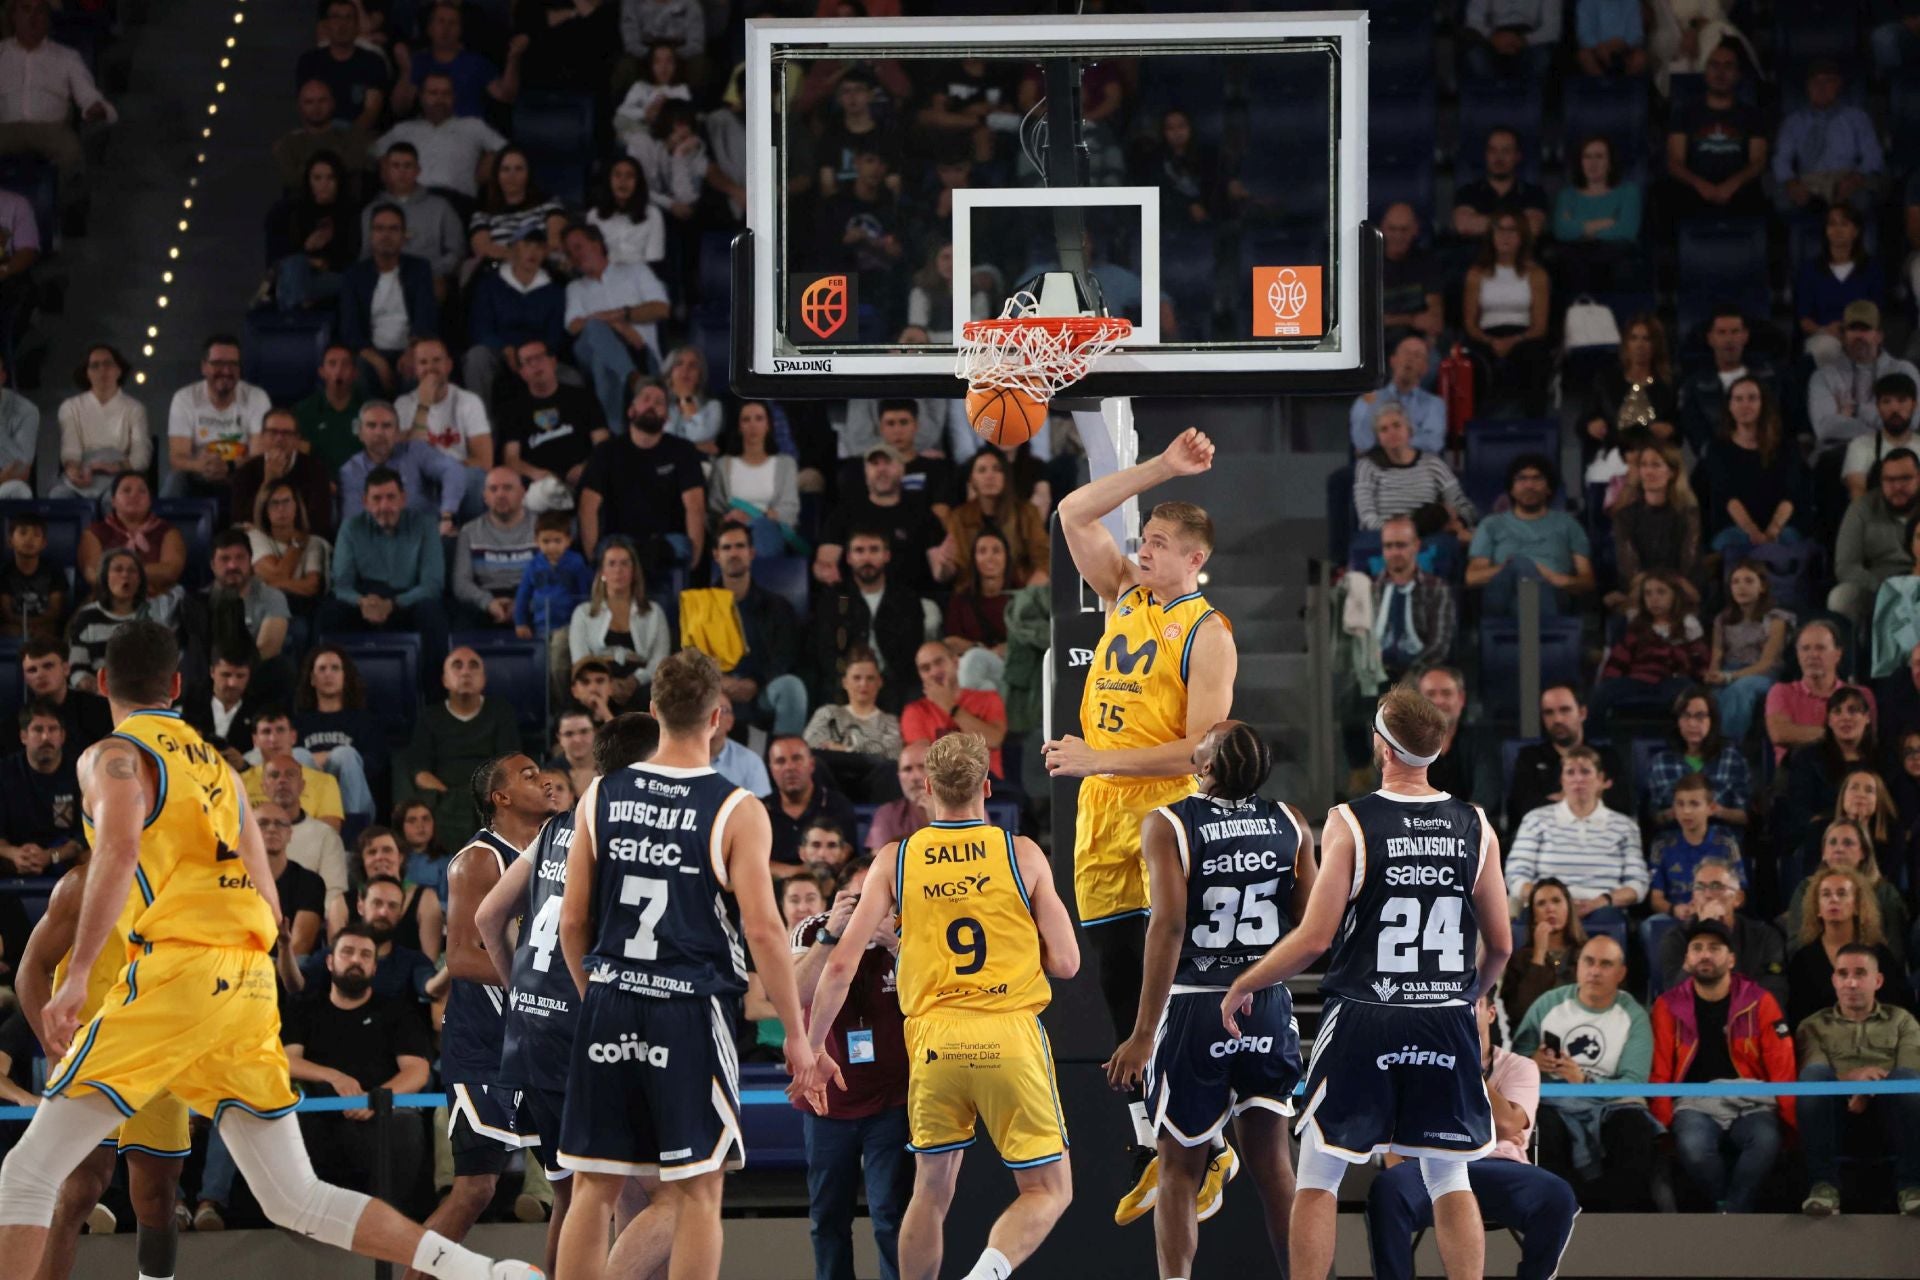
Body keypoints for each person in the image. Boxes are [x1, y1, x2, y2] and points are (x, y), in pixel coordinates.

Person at [0, 620, 542, 1279]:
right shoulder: (221, 769)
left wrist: (79, 972)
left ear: (103, 682)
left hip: (177, 971)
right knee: (295, 1196)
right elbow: (267, 890)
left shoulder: (112, 755)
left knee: (26, 1173)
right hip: (248, 981)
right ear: (178, 685)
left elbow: (118, 847)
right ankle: (481, 1272)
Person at [1220, 686, 1511, 1280]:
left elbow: (1314, 939)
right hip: (1445, 1013)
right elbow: (1501, 945)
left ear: (1382, 747)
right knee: (1449, 1173)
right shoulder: (1476, 825)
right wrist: (1470, 995)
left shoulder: (1350, 821)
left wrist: (1245, 981)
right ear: (1437, 749)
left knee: (1319, 1172)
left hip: (1366, 1011)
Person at [554, 651, 826, 1280]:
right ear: (717, 717)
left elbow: (572, 922)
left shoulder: (599, 794)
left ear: (653, 712)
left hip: (610, 996)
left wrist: (595, 995)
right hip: (687, 1008)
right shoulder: (736, 808)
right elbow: (764, 930)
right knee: (700, 1190)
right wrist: (796, 1034)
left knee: (593, 1187)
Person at [1042, 429, 1237, 1219]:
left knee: (1167, 988)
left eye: (1157, 542)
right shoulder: (1123, 593)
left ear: (1194, 558)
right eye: (1144, 538)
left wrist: (1098, 759)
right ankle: (1158, 1145)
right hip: (1101, 813)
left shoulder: (1208, 633)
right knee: (1120, 985)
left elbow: (1201, 751)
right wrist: (1161, 468)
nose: (1142, 549)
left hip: (1163, 812)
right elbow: (1071, 512)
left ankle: (1209, 1142)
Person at [803, 731, 1077, 1280]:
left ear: (926, 788)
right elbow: (1068, 962)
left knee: (929, 1193)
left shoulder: (895, 859)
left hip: (933, 1039)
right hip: (1007, 1031)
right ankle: (986, 1274)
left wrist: (813, 1049)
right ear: (987, 787)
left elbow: (838, 966)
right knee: (1048, 1190)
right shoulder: (1021, 853)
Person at [1104, 722, 1310, 1269]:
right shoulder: (1291, 822)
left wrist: (1141, 1034)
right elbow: (1311, 924)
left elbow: (1169, 927)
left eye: (1204, 741)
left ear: (1206, 766)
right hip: (1266, 1003)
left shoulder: (1167, 823)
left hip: (1196, 1004)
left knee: (1178, 1170)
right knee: (1275, 1167)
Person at [474, 712, 660, 1276]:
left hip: (529, 1037)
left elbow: (488, 918)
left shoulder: (558, 826)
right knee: (670, 1193)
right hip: (586, 1037)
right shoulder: (631, 834)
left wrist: (522, 996)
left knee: (585, 1193)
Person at [14, 843, 186, 1280]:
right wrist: (56, 1049)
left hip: (160, 1052)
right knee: (78, 1189)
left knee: (158, 1197)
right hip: (89, 1055)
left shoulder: (194, 888)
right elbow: (30, 969)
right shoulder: (81, 884)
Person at [432, 753, 554, 1272]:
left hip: (539, 1046)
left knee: (574, 1185)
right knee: (476, 1189)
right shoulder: (480, 859)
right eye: (528, 776)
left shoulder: (552, 853)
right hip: (486, 1046)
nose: (543, 780)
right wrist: (541, 983)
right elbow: (461, 957)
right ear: (499, 798)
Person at [1364, 990, 1580, 1280]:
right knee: (1387, 1188)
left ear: (1491, 1013)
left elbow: (1507, 1125)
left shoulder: (1521, 1067)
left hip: (1501, 1166)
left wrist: (1462, 1061)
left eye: (1473, 1002)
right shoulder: (1418, 1060)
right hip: (1429, 1165)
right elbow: (1393, 1130)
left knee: (1557, 1195)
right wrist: (1487, 1126)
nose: (1463, 1009)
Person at [786, 855, 911, 1280]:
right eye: (860, 899)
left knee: (890, 1215)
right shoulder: (813, 930)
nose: (870, 909)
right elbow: (794, 996)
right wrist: (830, 938)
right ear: (841, 899)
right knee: (828, 1218)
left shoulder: (909, 929)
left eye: (881, 899)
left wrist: (896, 945)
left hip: (892, 1100)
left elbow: (933, 994)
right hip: (827, 1102)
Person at [1649, 919, 1795, 1212]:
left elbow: (1782, 1065)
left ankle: (1729, 1212)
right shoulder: (1667, 1006)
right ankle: (1729, 1207)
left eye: (1714, 948)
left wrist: (1790, 1122)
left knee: (1765, 1141)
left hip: (1752, 1099)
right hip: (1693, 1102)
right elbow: (1660, 1070)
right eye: (1697, 948)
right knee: (1694, 1147)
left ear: (1731, 959)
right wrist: (1662, 1124)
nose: (1705, 954)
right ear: (1687, 959)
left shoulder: (1760, 1001)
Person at [280, 921, 433, 1198]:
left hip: (381, 1113)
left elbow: (417, 1071)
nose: (355, 960)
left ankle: (390, 1217)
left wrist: (376, 1099)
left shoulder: (397, 1012)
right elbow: (287, 1061)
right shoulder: (304, 1008)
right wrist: (334, 1077)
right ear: (330, 962)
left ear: (374, 968)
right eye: (347, 952)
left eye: (365, 955)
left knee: (406, 1124)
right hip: (318, 1112)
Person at [1510, 935, 1660, 1210]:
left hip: (1611, 1103)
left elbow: (1634, 1082)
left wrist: (1585, 1080)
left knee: (1633, 1127)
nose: (1595, 971)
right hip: (1552, 1101)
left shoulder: (1634, 1016)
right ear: (1578, 966)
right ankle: (1555, 1210)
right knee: (1541, 1127)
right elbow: (1516, 1062)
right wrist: (1534, 1061)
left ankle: (1620, 1215)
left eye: (1605, 964)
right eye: (1589, 962)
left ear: (1621, 973)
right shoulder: (1549, 1003)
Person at [1796, 944, 1920, 1217]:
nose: (1851, 982)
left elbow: (1910, 1072)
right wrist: (1854, 1080)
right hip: (1835, 1113)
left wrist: (1865, 1089)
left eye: (1860, 973)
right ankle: (1824, 1187)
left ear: (1878, 981)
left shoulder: (1902, 1021)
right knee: (1813, 1077)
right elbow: (1814, 1074)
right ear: (1834, 980)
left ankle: (1912, 1188)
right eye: (1843, 974)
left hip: (1891, 1111)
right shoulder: (1812, 1025)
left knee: (1909, 1080)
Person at [1506, 748, 1647, 947]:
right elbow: (1516, 875)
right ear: (1562, 780)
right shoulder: (1535, 820)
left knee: (1609, 920)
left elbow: (1637, 884)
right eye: (1570, 772)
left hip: (1602, 907)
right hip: (1546, 906)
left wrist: (1602, 901)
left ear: (1601, 780)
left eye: (1585, 772)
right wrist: (1554, 903)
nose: (1578, 779)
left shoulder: (1625, 826)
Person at [320, 466, 452, 668]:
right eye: (377, 499)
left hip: (408, 601)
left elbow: (432, 584)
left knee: (432, 612)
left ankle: (434, 686)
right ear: (365, 502)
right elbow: (342, 585)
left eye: (391, 497)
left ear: (403, 499)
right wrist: (361, 602)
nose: (384, 506)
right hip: (365, 601)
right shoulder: (351, 527)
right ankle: (329, 683)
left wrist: (393, 603)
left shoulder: (425, 525)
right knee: (329, 614)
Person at [401, 648, 522, 851]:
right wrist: (451, 797)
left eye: (473, 666)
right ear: (445, 680)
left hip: (489, 798)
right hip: (444, 799)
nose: (465, 672)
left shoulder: (501, 713)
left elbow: (510, 765)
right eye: (457, 666)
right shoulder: (429, 717)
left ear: (483, 679)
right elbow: (421, 773)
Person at [578, 375, 706, 565]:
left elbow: (695, 506)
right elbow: (588, 506)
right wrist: (593, 559)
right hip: (619, 541)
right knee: (616, 552)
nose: (652, 405)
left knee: (674, 548)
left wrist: (694, 561)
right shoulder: (606, 452)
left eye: (659, 402)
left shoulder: (683, 451)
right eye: (646, 399)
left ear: (667, 416)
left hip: (667, 540)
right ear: (631, 410)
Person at [810, 528, 937, 713]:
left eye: (874, 550)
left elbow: (911, 651)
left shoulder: (906, 599)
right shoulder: (836, 599)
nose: (867, 558)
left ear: (886, 555)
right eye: (859, 551)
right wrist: (853, 678)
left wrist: (880, 679)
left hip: (896, 682)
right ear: (849, 558)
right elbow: (827, 651)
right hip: (847, 682)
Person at [0, 0, 115, 194]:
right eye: (26, 10)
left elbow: (88, 95)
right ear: (14, 16)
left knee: (71, 152)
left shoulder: (67, 57)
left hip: (51, 130)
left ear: (47, 18)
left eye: (40, 11)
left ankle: (57, 205)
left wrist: (95, 107)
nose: (32, 18)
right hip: (5, 128)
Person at [565, 222, 670, 430]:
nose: (574, 256)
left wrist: (621, 315)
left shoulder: (636, 271)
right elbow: (573, 326)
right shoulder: (575, 287)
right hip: (590, 351)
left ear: (596, 244)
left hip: (640, 351)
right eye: (569, 253)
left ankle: (613, 432)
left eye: (578, 247)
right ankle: (633, 378)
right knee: (595, 329)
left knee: (603, 359)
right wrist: (619, 327)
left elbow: (661, 309)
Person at [1465, 455, 1595, 617]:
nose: (1529, 485)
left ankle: (1526, 628)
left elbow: (1587, 581)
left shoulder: (1569, 525)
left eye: (1537, 479)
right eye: (1521, 479)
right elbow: (1472, 577)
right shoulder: (1490, 525)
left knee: (1523, 592)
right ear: (1511, 489)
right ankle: (1530, 632)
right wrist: (1510, 568)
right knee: (1521, 565)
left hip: (1551, 595)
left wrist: (1554, 578)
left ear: (1549, 488)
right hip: (1502, 596)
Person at [710, 523, 809, 736]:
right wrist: (719, 682)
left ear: (751, 553)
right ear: (716, 555)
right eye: (726, 548)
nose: (734, 553)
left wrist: (755, 682)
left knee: (791, 686)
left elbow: (785, 657)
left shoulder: (778, 606)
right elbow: (689, 657)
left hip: (761, 690)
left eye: (740, 546)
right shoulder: (699, 607)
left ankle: (784, 751)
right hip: (712, 691)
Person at [1786, 867, 1913, 1029]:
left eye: (1842, 893)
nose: (1833, 899)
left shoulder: (1880, 955)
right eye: (1826, 894)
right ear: (1817, 908)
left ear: (1857, 906)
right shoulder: (1803, 960)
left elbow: (1900, 1010)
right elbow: (1798, 1020)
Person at [1655, 858, 1788, 1009]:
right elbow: (1674, 998)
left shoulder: (1765, 936)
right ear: (1693, 898)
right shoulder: (1676, 938)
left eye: (1716, 886)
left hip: (1749, 1018)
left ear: (1738, 898)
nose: (1707, 895)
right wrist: (1706, 930)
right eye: (1699, 887)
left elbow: (1775, 992)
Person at [341, 205, 440, 397]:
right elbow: (350, 329)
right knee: (360, 368)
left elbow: (426, 317)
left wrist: (413, 350)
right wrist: (378, 362)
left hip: (411, 347)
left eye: (393, 229)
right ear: (371, 235)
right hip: (371, 352)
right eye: (379, 229)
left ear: (404, 236)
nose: (386, 235)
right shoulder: (354, 275)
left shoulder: (420, 269)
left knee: (419, 366)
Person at [1699, 376, 1806, 551]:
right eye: (1738, 399)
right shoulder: (1717, 449)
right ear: (1729, 406)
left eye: (1752, 398)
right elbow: (1727, 496)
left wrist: (1772, 530)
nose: (1745, 405)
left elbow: (1790, 495)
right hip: (1735, 528)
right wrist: (1752, 532)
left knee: (1788, 541)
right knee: (1732, 543)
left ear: (1763, 404)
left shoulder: (1787, 448)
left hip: (1780, 527)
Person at [1664, 42, 1768, 220]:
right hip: (1693, 191)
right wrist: (1701, 185)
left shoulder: (1752, 115)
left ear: (1737, 74)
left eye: (1728, 66)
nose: (1721, 73)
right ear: (1705, 72)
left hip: (1740, 192)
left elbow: (1758, 162)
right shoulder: (1683, 113)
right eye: (1714, 65)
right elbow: (1674, 162)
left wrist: (1732, 185)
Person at [1461, 212, 1552, 415]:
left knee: (1536, 359)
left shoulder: (1536, 274)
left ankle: (1534, 424)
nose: (1505, 236)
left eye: (1512, 231)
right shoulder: (1476, 274)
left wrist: (1513, 341)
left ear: (1522, 237)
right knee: (1472, 362)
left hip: (1524, 335)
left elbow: (1540, 326)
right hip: (1486, 335)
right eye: (1500, 230)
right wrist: (1490, 341)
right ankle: (1474, 426)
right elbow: (1470, 324)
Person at [567, 536, 671, 705]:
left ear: (634, 571)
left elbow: (660, 660)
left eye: (624, 563)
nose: (618, 570)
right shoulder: (583, 613)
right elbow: (581, 660)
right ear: (602, 572)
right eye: (612, 564)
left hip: (642, 682)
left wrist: (635, 681)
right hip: (598, 680)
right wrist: (606, 683)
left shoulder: (654, 612)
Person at [1590, 570, 1708, 719]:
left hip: (1672, 681)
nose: (1654, 599)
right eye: (1648, 594)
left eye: (1661, 592)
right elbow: (1619, 659)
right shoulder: (1637, 626)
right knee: (1602, 692)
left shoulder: (1687, 626)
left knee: (1687, 690)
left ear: (1674, 596)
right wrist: (1610, 681)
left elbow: (1700, 661)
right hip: (1637, 680)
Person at [373, 72, 507, 203]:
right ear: (421, 96)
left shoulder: (473, 126)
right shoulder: (403, 129)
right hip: (411, 201)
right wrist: (389, 176)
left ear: (454, 97)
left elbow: (506, 149)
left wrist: (485, 168)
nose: (440, 99)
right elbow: (373, 152)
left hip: (457, 201)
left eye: (446, 93)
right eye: (433, 93)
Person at [166, 335, 268, 503]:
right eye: (218, 363)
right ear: (204, 367)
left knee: (260, 477)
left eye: (233, 364)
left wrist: (229, 466)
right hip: (199, 474)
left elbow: (259, 456)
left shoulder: (257, 397)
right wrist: (202, 466)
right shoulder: (184, 398)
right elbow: (177, 458)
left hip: (240, 473)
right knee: (175, 480)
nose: (226, 371)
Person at [495, 337, 606, 491]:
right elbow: (511, 459)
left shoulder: (583, 397)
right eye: (528, 361)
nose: (535, 365)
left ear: (553, 362)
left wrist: (587, 466)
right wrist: (537, 474)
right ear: (522, 373)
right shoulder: (512, 410)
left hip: (587, 478)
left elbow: (603, 443)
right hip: (539, 486)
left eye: (539, 357)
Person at [1774, 60, 1882, 216]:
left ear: (1838, 85)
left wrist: (1855, 178)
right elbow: (1781, 159)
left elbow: (1873, 155)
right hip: (1808, 180)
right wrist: (1791, 183)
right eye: (1815, 82)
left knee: (1863, 199)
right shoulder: (1793, 121)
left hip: (1846, 177)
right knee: (1781, 200)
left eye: (1828, 81)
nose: (1821, 87)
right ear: (1807, 87)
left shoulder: (1857, 117)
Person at [1352, 404, 1476, 538]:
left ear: (1409, 430)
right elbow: (1367, 519)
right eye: (1384, 429)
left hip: (1431, 538)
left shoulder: (1432, 463)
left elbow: (1464, 507)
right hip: (1385, 540)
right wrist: (1403, 533)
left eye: (1397, 425)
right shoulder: (1367, 466)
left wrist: (1459, 523)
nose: (1391, 432)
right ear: (1378, 438)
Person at [1830, 447, 1920, 631]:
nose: (1897, 487)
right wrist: (1886, 588)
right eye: (1890, 480)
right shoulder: (1861, 509)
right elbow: (1846, 566)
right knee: (1841, 597)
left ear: (1918, 478)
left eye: (1905, 478)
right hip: (1877, 586)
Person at [340, 398, 469, 525]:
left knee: (474, 476)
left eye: (386, 426)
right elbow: (354, 521)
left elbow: (453, 470)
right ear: (360, 434)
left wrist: (447, 514)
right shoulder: (350, 471)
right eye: (371, 426)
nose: (379, 433)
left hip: (428, 530)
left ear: (397, 433)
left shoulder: (415, 450)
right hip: (379, 535)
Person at [1808, 301, 1920, 447]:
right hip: (1838, 452)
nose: (1859, 336)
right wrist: (1884, 427)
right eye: (1853, 329)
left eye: (1865, 329)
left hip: (1893, 452)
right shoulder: (1823, 376)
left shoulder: (1903, 370)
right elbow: (1825, 428)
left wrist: (1856, 410)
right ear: (1843, 336)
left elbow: (1911, 422)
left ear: (1879, 336)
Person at [1765, 619, 1875, 764]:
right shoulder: (1782, 692)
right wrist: (1841, 731)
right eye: (1805, 649)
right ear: (1798, 654)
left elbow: (1868, 739)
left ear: (1837, 654)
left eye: (1820, 648)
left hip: (1849, 769)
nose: (1812, 655)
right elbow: (1780, 734)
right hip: (1797, 769)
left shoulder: (1861, 694)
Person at [391, 1, 525, 120]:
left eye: (452, 23)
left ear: (460, 30)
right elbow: (399, 108)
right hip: (429, 131)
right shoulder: (418, 61)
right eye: (441, 21)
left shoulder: (476, 62)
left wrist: (513, 58)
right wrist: (406, 70)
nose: (446, 28)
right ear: (430, 28)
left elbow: (506, 96)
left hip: (469, 130)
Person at [363, 143, 465, 297]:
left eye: (407, 166)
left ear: (418, 171)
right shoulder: (372, 210)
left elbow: (456, 251)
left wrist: (429, 271)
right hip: (384, 280)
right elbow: (366, 254)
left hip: (429, 279)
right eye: (396, 166)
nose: (402, 172)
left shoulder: (441, 207)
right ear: (387, 171)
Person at [1707, 560, 1792, 744]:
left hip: (1761, 674)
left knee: (1740, 690)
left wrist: (1729, 677)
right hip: (1728, 670)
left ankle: (1728, 747)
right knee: (1710, 696)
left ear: (1762, 587)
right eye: (1735, 582)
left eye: (1748, 581)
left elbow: (1767, 663)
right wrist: (1713, 674)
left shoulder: (1776, 619)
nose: (1741, 587)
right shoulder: (1722, 619)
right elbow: (1717, 653)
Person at [1642, 686, 1752, 828]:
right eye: (1685, 716)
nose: (1692, 723)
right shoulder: (1661, 763)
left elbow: (1747, 817)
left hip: (1720, 837)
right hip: (1673, 837)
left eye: (1700, 716)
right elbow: (1650, 819)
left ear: (1712, 720)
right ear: (1677, 721)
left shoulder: (1732, 760)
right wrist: (1672, 813)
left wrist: (1717, 811)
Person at [803, 648, 903, 801]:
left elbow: (892, 755)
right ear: (845, 682)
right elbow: (810, 748)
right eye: (857, 678)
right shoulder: (828, 713)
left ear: (879, 682)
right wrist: (866, 753)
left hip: (874, 786)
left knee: (890, 769)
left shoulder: (890, 721)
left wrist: (843, 749)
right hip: (830, 784)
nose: (863, 684)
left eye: (870, 678)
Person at [52, 343, 148, 502]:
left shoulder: (135, 408)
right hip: (84, 470)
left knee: (114, 499)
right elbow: (71, 448)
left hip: (119, 473)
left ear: (119, 370)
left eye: (108, 364)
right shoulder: (71, 407)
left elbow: (141, 456)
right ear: (87, 373)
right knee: (59, 496)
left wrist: (115, 467)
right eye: (95, 366)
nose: (102, 370)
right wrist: (73, 471)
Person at [1608, 441, 1701, 602]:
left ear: (1672, 472)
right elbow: (1629, 567)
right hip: (1640, 591)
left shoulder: (1687, 514)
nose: (1648, 471)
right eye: (1644, 465)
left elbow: (1689, 564)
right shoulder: (1625, 516)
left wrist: (1669, 588)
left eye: (1656, 465)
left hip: (1677, 591)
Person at [1578, 314, 1676, 465]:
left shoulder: (1667, 385)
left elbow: (1678, 429)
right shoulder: (1605, 380)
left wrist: (1669, 429)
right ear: (1626, 344)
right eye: (1633, 338)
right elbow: (1582, 422)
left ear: (1656, 345)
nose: (1639, 345)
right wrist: (1591, 425)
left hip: (1653, 460)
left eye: (1646, 339)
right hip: (1611, 458)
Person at [945, 449, 1050, 590]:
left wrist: (1025, 596)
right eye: (982, 470)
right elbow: (958, 567)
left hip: (1019, 591)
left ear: (1006, 476)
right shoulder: (959, 517)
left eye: (997, 469)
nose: (990, 476)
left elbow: (1045, 561)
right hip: (972, 594)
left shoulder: (1027, 513)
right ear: (971, 480)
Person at [1797, 206, 1887, 368]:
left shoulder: (1871, 269)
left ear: (1856, 231)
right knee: (1825, 348)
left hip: (1862, 336)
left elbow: (1876, 312)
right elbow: (1804, 319)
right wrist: (1824, 330)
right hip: (1824, 335)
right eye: (1832, 224)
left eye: (1844, 224)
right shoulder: (1810, 270)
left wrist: (1853, 332)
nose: (1837, 230)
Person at [902, 642, 1007, 779]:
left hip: (987, 781)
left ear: (955, 662)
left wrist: (950, 707)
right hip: (941, 783)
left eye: (939, 662)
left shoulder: (988, 698)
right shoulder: (914, 711)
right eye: (926, 668)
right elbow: (923, 760)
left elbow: (995, 740)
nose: (934, 672)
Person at [709, 400, 800, 557]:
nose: (753, 425)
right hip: (733, 531)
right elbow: (714, 509)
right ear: (739, 427)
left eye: (759, 419)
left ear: (768, 425)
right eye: (746, 420)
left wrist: (757, 516)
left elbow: (790, 509)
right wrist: (728, 518)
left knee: (762, 528)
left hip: (772, 530)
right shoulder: (723, 465)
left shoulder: (786, 464)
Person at [1678, 305, 1777, 451]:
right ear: (1710, 338)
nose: (1729, 339)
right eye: (1722, 332)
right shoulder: (1694, 386)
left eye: (1735, 332)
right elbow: (1696, 433)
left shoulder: (1770, 377)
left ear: (1745, 336)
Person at [65, 550, 164, 694]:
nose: (125, 575)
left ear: (140, 580)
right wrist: (94, 687)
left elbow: (162, 666)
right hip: (98, 695)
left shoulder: (153, 616)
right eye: (118, 569)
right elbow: (77, 669)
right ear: (105, 577)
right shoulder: (87, 617)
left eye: (132, 571)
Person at [76, 471, 185, 600]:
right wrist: (139, 576)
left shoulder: (168, 531)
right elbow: (93, 574)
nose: (134, 496)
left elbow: (170, 572)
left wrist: (118, 573)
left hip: (156, 599)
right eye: (126, 490)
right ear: (113, 501)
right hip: (110, 600)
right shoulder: (94, 532)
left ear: (150, 501)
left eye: (142, 491)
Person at [450, 466, 537, 629]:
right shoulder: (469, 531)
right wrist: (488, 602)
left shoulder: (541, 527)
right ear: (485, 496)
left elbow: (553, 578)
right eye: (493, 489)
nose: (500, 494)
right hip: (486, 597)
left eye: (508, 488)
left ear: (522, 492)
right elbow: (461, 583)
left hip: (531, 598)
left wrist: (523, 603)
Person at [1554, 134, 1642, 292]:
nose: (1592, 163)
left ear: (1610, 163)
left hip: (1614, 258)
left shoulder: (1629, 192)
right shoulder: (1567, 195)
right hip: (1575, 259)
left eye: (1599, 157)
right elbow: (1561, 231)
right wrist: (1606, 222)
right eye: (1587, 157)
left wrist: (1579, 228)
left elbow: (1626, 231)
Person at [235, 406, 335, 542]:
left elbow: (319, 523)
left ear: (297, 439)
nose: (279, 439)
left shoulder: (316, 470)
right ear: (263, 436)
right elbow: (240, 522)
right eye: (273, 432)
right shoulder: (245, 471)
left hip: (305, 541)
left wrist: (292, 542)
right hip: (260, 542)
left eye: (287, 433)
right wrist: (269, 482)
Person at [1500, 878, 1587, 1027]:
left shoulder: (1588, 953)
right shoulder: (1519, 959)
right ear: (1534, 915)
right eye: (1541, 903)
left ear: (1569, 908)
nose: (1550, 908)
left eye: (1556, 901)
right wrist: (1539, 955)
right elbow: (1519, 1012)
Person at [766, 734, 860, 870]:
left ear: (811, 765)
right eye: (780, 761)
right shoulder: (759, 810)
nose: (789, 767)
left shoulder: (838, 805)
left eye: (797, 759)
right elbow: (748, 862)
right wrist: (797, 873)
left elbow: (842, 855)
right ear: (771, 769)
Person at [1349, 333, 1447, 455]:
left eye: (1417, 355)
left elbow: (1434, 443)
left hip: (1419, 465)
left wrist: (1390, 440)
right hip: (1378, 463)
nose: (1410, 359)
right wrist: (1407, 440)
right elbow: (1362, 443)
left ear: (1425, 368)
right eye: (1406, 353)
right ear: (1393, 360)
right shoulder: (1370, 399)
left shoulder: (1434, 404)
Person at [301, 0, 388, 131]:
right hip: (318, 136)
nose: (342, 24)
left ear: (357, 25)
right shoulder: (309, 61)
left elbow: (371, 111)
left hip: (359, 137)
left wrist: (346, 139)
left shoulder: (373, 62)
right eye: (336, 17)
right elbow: (305, 108)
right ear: (326, 25)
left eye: (348, 18)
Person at [1451, 127, 1549, 241]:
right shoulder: (1467, 192)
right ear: (1486, 155)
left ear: (1518, 156)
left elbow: (1533, 228)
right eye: (1493, 151)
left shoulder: (1534, 193)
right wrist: (1517, 224)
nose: (1498, 158)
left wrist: (1482, 222)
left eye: (1506, 151)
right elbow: (1464, 225)